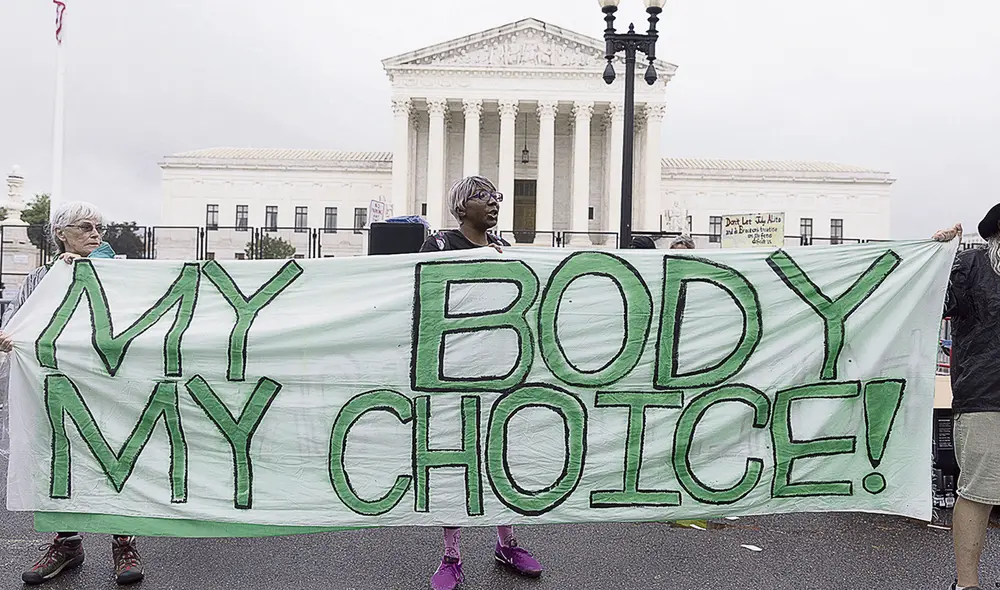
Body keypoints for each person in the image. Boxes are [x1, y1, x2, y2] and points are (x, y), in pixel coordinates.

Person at [0, 202, 145, 586]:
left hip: (108, 387)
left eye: (100, 227)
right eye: (86, 227)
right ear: (61, 233)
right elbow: (16, 324)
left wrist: (90, 264)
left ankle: (124, 543)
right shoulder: (40, 279)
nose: (96, 233)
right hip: (57, 388)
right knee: (58, 461)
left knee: (116, 458)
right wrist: (9, 338)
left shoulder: (114, 273)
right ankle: (67, 544)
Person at [419, 176, 542, 590]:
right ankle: (450, 556)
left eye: (495, 197)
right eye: (481, 197)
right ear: (460, 207)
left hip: (501, 367)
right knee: (457, 461)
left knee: (501, 457)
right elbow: (422, 298)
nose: (492, 204)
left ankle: (506, 542)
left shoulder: (506, 249)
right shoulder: (439, 245)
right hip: (452, 370)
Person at [933, 208, 1000, 590]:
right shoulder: (972, 264)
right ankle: (967, 585)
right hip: (985, 398)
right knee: (979, 491)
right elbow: (932, 302)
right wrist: (938, 256)